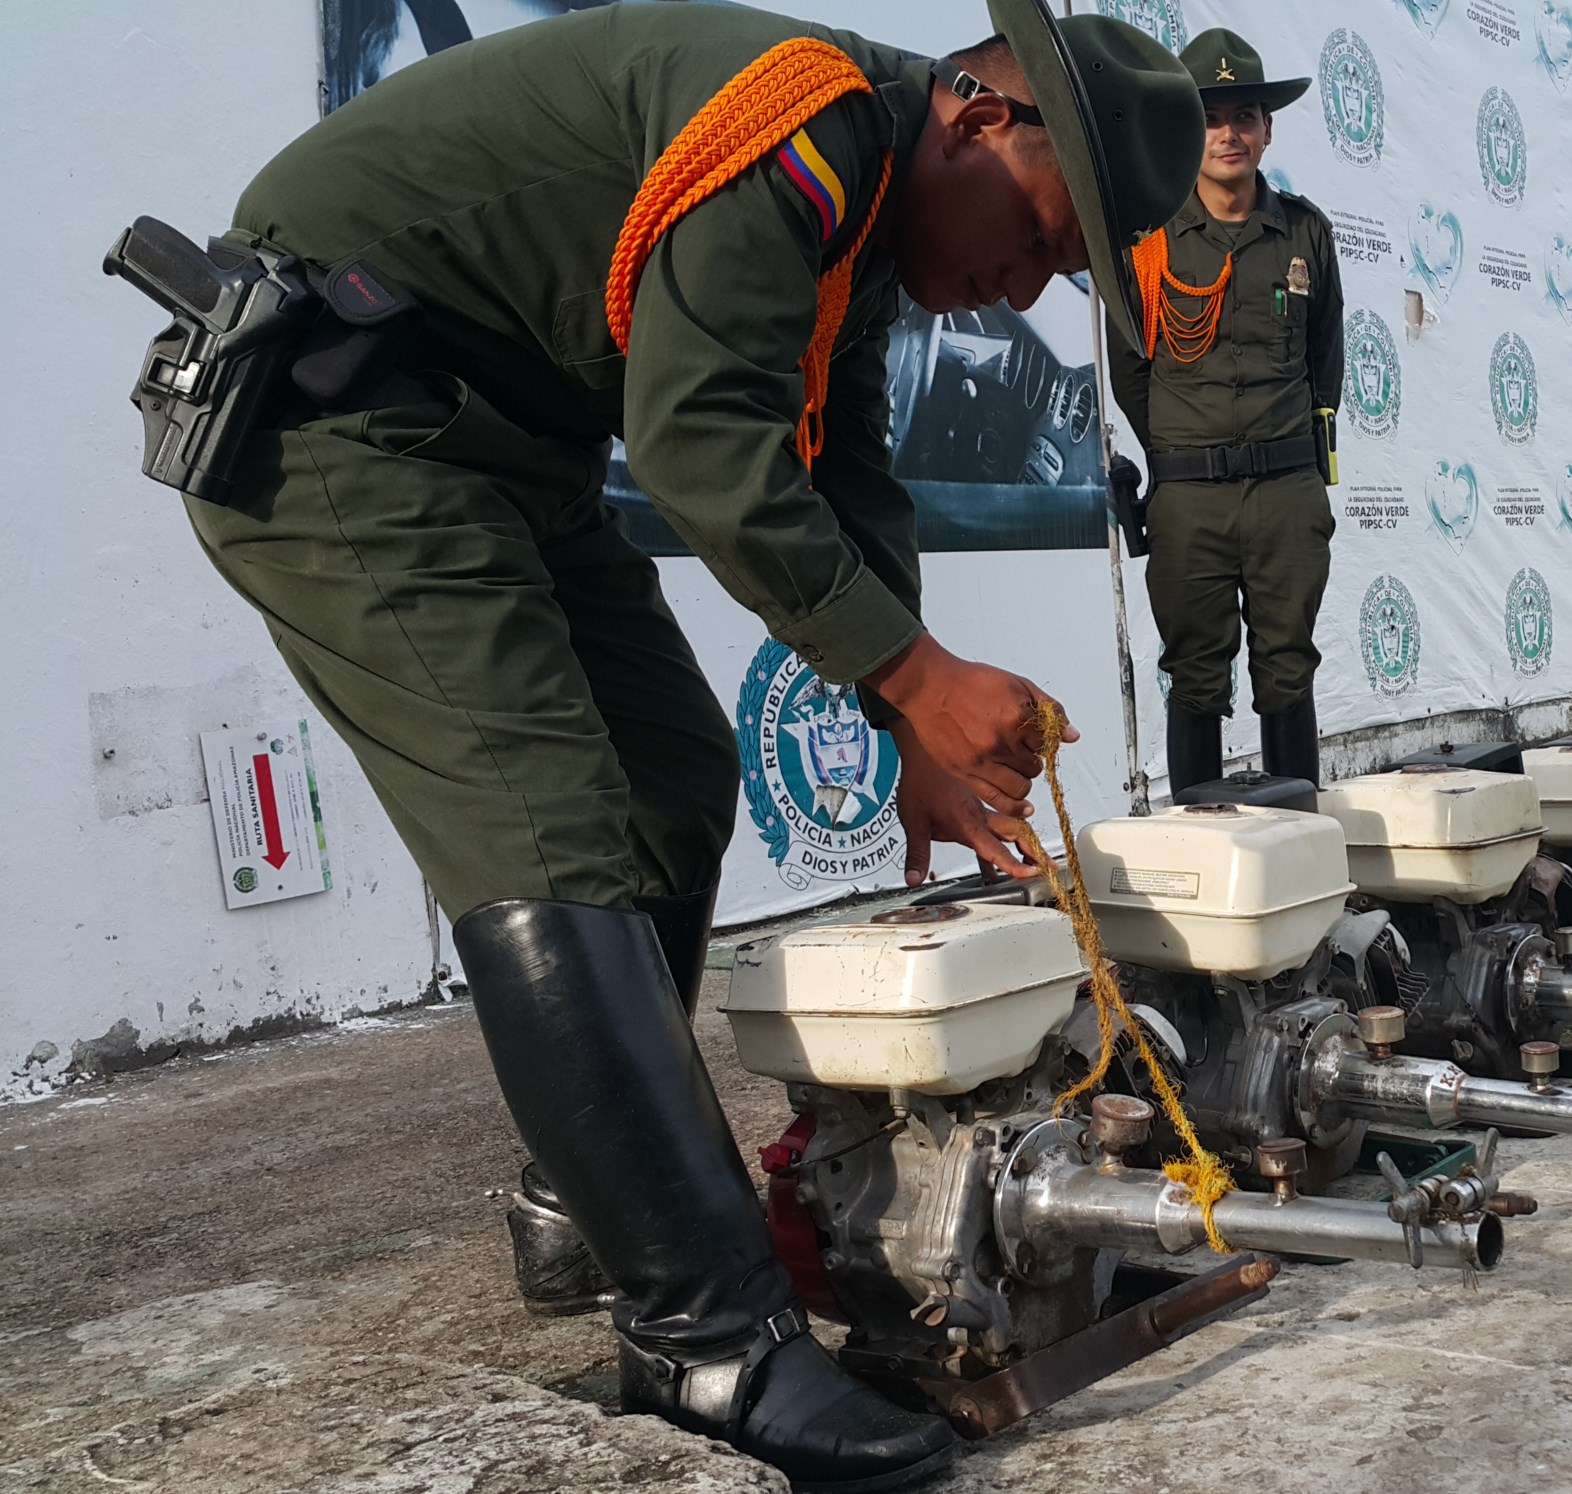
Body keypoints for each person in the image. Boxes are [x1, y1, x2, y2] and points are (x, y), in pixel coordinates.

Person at [140, 4, 1202, 1487]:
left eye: (1055, 276)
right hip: (340, 417)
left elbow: (842, 467)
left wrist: (906, 717)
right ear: (977, 118)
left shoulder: (862, 200)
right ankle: (705, 1340)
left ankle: (601, 1184)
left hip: (499, 441)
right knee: (553, 821)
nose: (1016, 290)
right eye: (1036, 238)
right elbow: (708, 446)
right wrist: (912, 669)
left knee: (671, 781)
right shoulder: (807, 131)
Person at [1106, 29, 1344, 794]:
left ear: (1267, 128)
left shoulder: (1305, 233)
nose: (1229, 134)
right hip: (1189, 500)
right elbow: (1131, 375)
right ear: (1187, 130)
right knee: (1196, 678)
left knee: (1287, 670)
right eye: (1210, 117)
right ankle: (1204, 863)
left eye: (1244, 115)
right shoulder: (1146, 243)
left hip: (1284, 490)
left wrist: (1298, 467)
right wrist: (1183, 453)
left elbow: (1324, 362)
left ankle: (1300, 847)